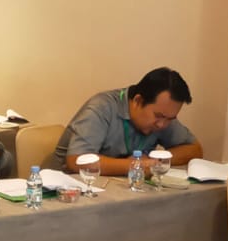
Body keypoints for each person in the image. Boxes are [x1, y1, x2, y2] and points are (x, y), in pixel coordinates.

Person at [53, 68, 204, 174]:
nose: (162, 124)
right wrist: (135, 165)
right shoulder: (101, 107)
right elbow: (77, 160)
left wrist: (154, 160)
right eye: (158, 116)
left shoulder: (163, 116)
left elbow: (194, 149)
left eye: (170, 119)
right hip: (64, 194)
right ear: (138, 101)